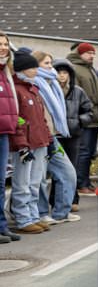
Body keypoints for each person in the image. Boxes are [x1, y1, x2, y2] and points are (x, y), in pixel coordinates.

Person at [31, 52, 79, 224]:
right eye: (46, 63)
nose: (51, 67)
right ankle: (42, 213)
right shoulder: (35, 83)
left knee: (68, 172)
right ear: (36, 65)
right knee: (39, 178)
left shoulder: (51, 83)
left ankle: (61, 212)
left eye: (51, 63)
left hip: (52, 136)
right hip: (38, 137)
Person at [9, 53, 53, 234]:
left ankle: (34, 216)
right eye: (32, 67)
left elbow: (41, 119)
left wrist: (48, 138)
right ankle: (23, 218)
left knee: (35, 182)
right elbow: (16, 119)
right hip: (24, 144)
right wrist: (21, 143)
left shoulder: (33, 89)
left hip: (39, 142)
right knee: (22, 182)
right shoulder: (16, 90)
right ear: (22, 69)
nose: (36, 70)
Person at [66, 42, 98, 196]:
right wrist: (81, 116)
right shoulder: (75, 69)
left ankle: (86, 181)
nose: (92, 56)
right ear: (80, 53)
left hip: (93, 118)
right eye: (89, 53)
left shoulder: (90, 69)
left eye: (93, 53)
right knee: (83, 152)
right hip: (84, 119)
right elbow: (75, 96)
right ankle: (80, 183)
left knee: (89, 152)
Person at [53, 59, 93, 211]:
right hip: (55, 136)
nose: (62, 76)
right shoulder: (50, 90)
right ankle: (55, 200)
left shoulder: (78, 91)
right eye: (59, 72)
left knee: (72, 169)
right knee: (56, 170)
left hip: (73, 136)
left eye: (65, 72)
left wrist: (78, 122)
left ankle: (72, 200)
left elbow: (89, 111)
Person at [0, 33, 19, 243]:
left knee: (0, 182)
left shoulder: (5, 71)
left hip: (4, 132)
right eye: (0, 44)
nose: (3, 47)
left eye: (6, 44)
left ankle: (2, 226)